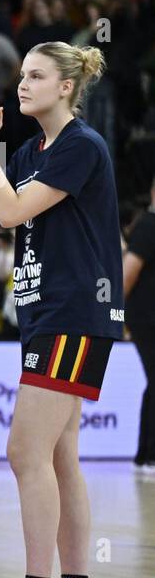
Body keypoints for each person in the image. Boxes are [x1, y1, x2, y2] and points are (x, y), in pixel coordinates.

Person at [0, 40, 119, 578]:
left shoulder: (81, 146)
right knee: (59, 459)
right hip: (48, 314)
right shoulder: (28, 149)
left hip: (73, 313)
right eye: (20, 75)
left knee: (25, 452)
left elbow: (16, 210)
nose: (22, 85)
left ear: (66, 87)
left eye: (36, 76)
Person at [123, 179, 155, 474]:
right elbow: (127, 273)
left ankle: (145, 454)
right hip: (145, 318)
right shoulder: (149, 225)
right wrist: (115, 314)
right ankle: (148, 455)